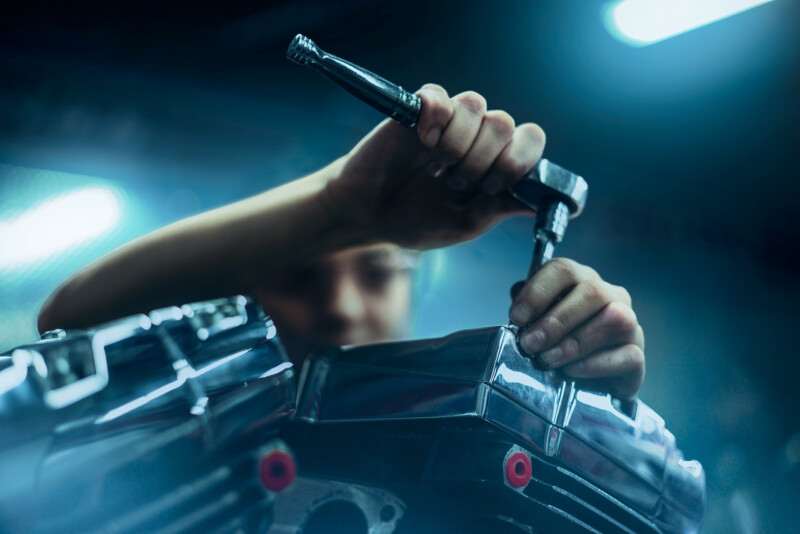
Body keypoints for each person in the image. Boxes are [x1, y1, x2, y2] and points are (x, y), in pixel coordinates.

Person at [37, 84, 645, 400]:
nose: (343, 309)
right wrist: (339, 206)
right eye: (302, 278)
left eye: (378, 276)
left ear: (414, 286)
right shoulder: (187, 427)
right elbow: (69, 321)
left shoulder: (445, 439)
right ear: (236, 293)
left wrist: (583, 409)